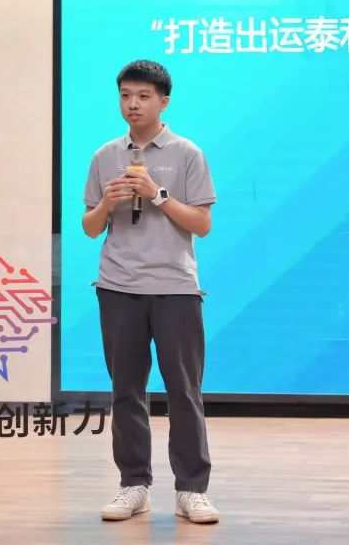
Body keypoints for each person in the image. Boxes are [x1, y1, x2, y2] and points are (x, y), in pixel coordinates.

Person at [81, 60, 220, 524]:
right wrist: (107, 202)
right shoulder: (105, 156)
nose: (132, 104)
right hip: (118, 286)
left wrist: (158, 194)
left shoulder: (187, 153)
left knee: (184, 392)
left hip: (175, 288)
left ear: (164, 101)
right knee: (126, 391)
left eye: (142, 96)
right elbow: (89, 227)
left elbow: (202, 223)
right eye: (125, 95)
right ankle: (133, 484)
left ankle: (191, 490)